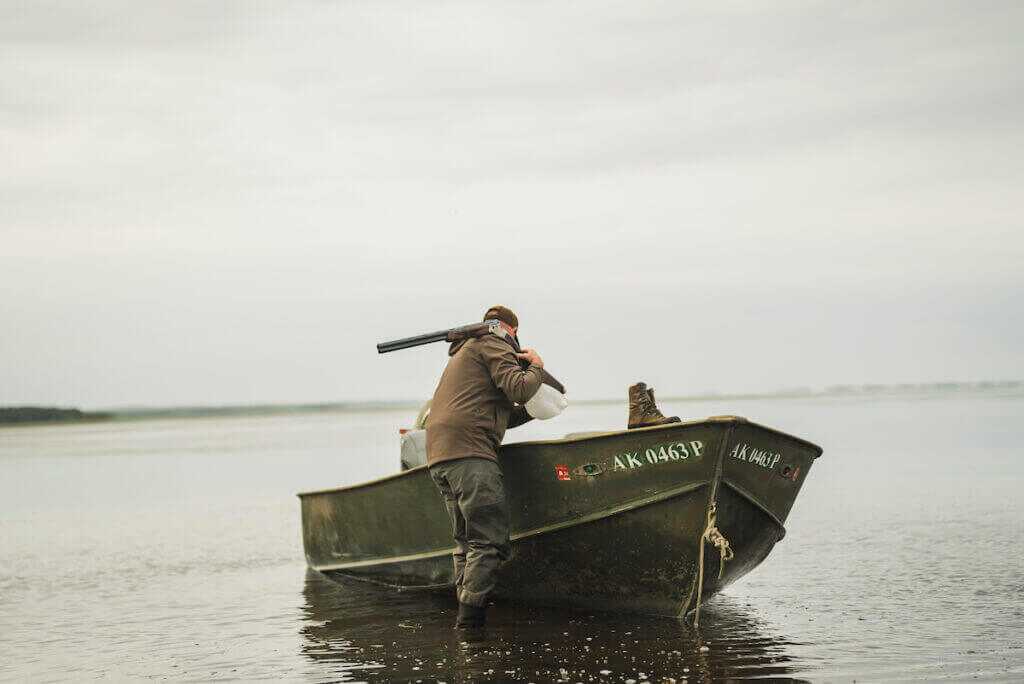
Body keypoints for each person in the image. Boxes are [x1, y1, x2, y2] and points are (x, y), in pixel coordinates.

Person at [425, 305, 544, 630]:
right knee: (488, 541)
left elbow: (499, 411)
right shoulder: (495, 342)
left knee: (467, 542)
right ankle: (471, 623)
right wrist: (536, 366)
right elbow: (519, 387)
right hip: (470, 454)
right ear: (513, 331)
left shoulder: (467, 352)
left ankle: (464, 625)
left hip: (442, 456)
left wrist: (535, 411)